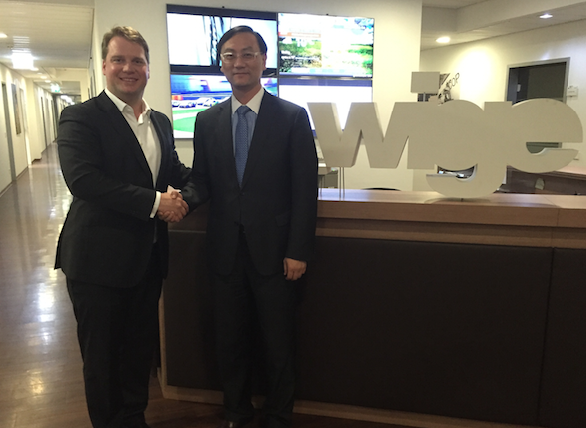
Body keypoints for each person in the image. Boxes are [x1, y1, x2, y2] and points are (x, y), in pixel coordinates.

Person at [181, 26, 318, 428]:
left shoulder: (292, 117)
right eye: (229, 55)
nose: (238, 62)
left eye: (247, 54)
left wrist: (298, 250)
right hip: (224, 252)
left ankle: (278, 416)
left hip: (276, 253)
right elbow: (202, 180)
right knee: (230, 340)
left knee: (278, 342)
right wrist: (180, 201)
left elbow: (304, 189)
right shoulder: (207, 121)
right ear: (221, 64)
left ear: (263, 60)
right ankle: (237, 413)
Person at [55, 26, 190, 428]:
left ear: (148, 68)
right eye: (119, 60)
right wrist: (158, 203)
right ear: (104, 66)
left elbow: (175, 173)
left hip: (147, 260)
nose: (128, 68)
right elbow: (85, 181)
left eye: (137, 61)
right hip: (96, 264)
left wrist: (204, 189)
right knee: (101, 359)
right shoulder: (80, 117)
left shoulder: (160, 122)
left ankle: (134, 418)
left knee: (137, 352)